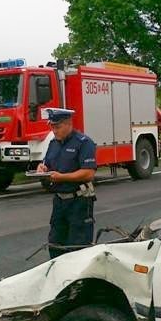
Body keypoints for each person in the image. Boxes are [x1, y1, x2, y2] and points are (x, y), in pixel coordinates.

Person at [37, 108, 97, 259]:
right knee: (56, 244)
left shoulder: (84, 143)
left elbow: (88, 173)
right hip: (59, 201)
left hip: (79, 201)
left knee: (78, 245)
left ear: (68, 124)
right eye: (52, 127)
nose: (54, 131)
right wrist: (42, 168)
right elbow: (47, 164)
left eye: (57, 127)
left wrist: (62, 177)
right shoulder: (53, 144)